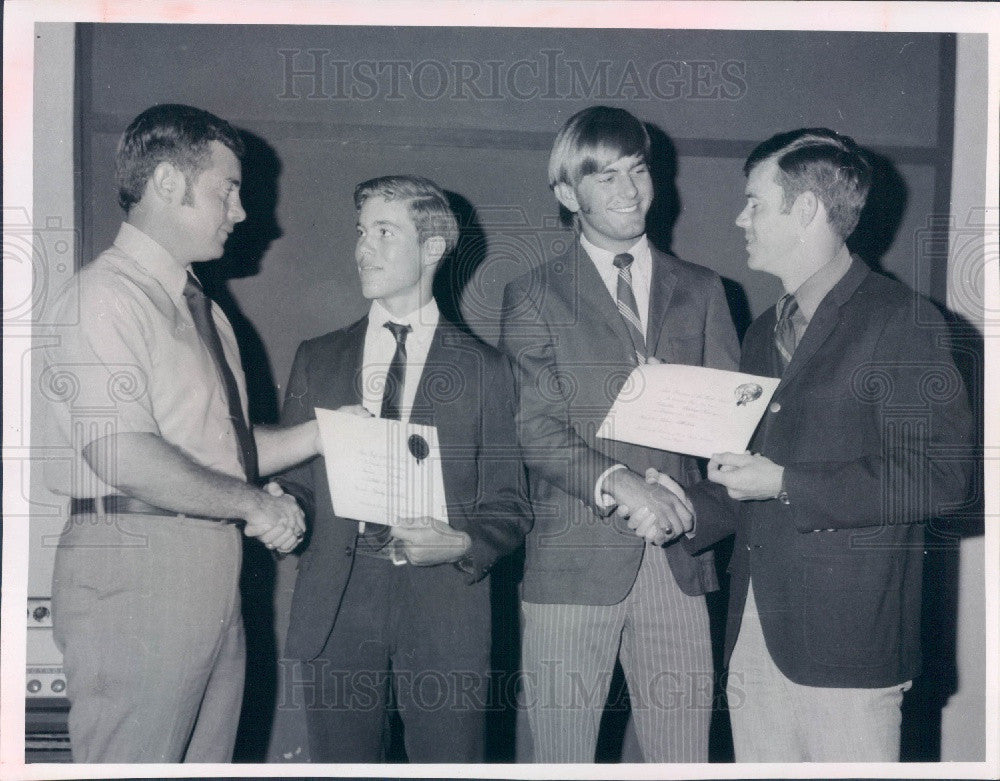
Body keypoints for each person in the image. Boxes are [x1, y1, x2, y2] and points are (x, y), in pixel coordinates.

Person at [649, 127, 973, 761]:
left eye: (755, 203)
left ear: (805, 210)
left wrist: (786, 483)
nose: (740, 218)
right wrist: (688, 505)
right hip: (752, 636)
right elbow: (750, 480)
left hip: (850, 653)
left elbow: (938, 476)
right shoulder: (765, 328)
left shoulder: (902, 320)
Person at [41, 103, 322, 763]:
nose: (243, 211)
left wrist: (328, 435)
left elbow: (223, 454)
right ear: (169, 183)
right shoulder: (103, 296)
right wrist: (256, 503)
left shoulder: (205, 311)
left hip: (209, 571)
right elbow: (122, 451)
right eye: (228, 188)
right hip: (139, 567)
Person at [497, 106, 740, 762]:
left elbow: (734, 442)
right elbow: (535, 428)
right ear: (566, 193)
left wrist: (692, 507)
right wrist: (623, 482)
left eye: (639, 170)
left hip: (678, 562)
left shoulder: (705, 290)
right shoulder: (533, 295)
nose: (630, 191)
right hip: (572, 566)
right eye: (605, 177)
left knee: (684, 760)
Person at [275, 175, 532, 762]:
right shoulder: (317, 357)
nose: (363, 248)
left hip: (445, 609)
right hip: (338, 604)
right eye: (361, 232)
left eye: (384, 233)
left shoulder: (485, 368)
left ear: (434, 248)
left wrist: (462, 542)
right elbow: (295, 485)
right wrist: (284, 506)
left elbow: (510, 505)